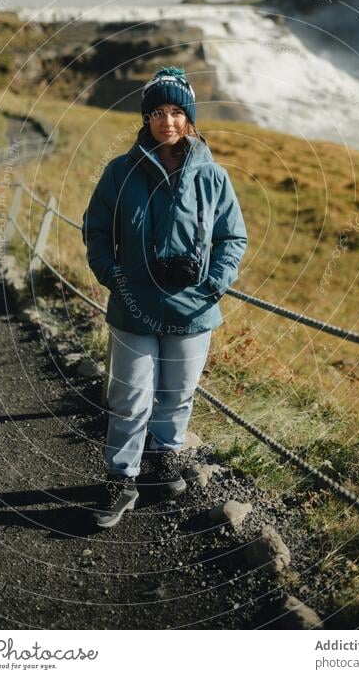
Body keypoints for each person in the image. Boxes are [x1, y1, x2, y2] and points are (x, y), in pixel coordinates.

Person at [81, 66, 248, 528]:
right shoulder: (119, 172)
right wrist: (111, 274)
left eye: (177, 111)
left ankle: (163, 461)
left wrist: (215, 282)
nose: (168, 120)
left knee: (177, 394)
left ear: (189, 119)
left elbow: (232, 237)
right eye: (158, 111)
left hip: (193, 309)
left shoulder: (213, 177)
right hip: (133, 308)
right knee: (130, 396)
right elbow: (95, 229)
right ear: (146, 118)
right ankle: (121, 479)